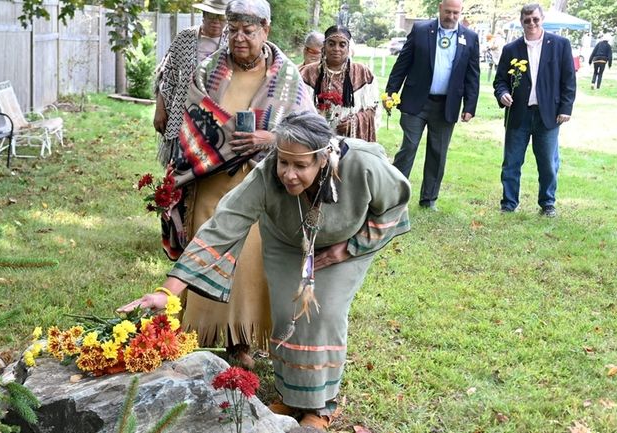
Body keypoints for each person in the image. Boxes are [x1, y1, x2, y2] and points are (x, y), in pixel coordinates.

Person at [119, 111, 411, 430]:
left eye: (300, 166)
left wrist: (349, 248)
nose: (288, 174)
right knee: (287, 313)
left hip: (346, 242)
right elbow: (221, 227)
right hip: (287, 240)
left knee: (323, 314)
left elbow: (396, 204)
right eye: (284, 162)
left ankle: (321, 407)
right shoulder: (267, 174)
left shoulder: (363, 165)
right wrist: (168, 291)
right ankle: (291, 394)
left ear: (323, 159)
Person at [165, 0, 315, 369]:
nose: (239, 38)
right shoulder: (207, 72)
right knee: (208, 251)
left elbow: (311, 132)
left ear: (265, 29)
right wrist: (217, 143)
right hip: (211, 183)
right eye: (233, 30)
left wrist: (271, 139)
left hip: (261, 187)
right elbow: (191, 123)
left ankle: (241, 341)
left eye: (248, 31)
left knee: (249, 265)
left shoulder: (289, 78)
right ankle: (196, 335)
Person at [384, 0, 480, 211]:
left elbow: (473, 75)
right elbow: (402, 63)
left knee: (438, 152)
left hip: (447, 105)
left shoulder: (470, 38)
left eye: (456, 13)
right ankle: (394, 197)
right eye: (448, 11)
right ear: (440, 8)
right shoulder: (420, 30)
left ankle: (429, 199)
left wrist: (470, 106)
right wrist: (391, 93)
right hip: (416, 101)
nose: (451, 16)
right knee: (408, 147)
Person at [493, 3, 576, 217]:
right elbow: (500, 80)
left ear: (542, 19)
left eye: (535, 20)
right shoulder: (511, 49)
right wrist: (502, 94)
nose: (531, 24)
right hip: (518, 113)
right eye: (527, 20)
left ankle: (547, 203)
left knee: (548, 162)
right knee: (511, 162)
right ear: (521, 21)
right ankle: (509, 203)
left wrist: (566, 108)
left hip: (548, 115)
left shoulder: (560, 45)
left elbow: (568, 80)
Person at [153, 0, 229, 167]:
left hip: (217, 117)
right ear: (203, 15)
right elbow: (167, 74)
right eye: (211, 16)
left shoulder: (232, 42)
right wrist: (160, 107)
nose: (216, 21)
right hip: (182, 113)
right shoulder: (185, 38)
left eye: (221, 17)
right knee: (179, 168)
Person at [300, 25, 379, 142]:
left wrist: (353, 123)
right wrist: (316, 120)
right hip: (315, 138)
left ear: (348, 48)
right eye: (331, 44)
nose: (336, 49)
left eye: (342, 44)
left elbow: (373, 109)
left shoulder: (362, 73)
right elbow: (296, 108)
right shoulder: (307, 73)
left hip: (351, 141)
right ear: (324, 47)